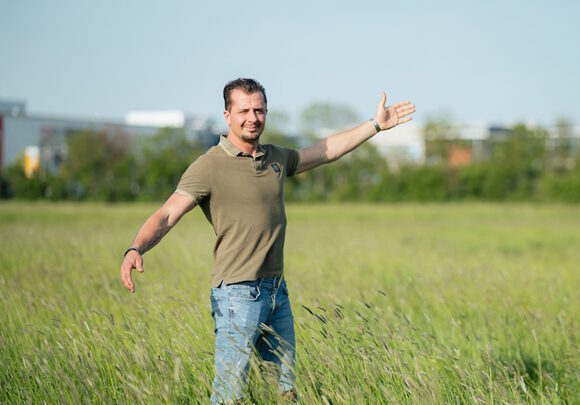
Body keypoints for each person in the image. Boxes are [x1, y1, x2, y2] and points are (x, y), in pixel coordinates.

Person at [119, 78, 415, 403]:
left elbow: (325, 151)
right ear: (227, 115)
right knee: (230, 394)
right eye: (243, 110)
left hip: (277, 292)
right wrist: (136, 247)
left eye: (259, 110)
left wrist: (374, 125)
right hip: (237, 296)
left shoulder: (276, 157)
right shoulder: (209, 166)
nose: (252, 117)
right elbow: (167, 214)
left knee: (285, 391)